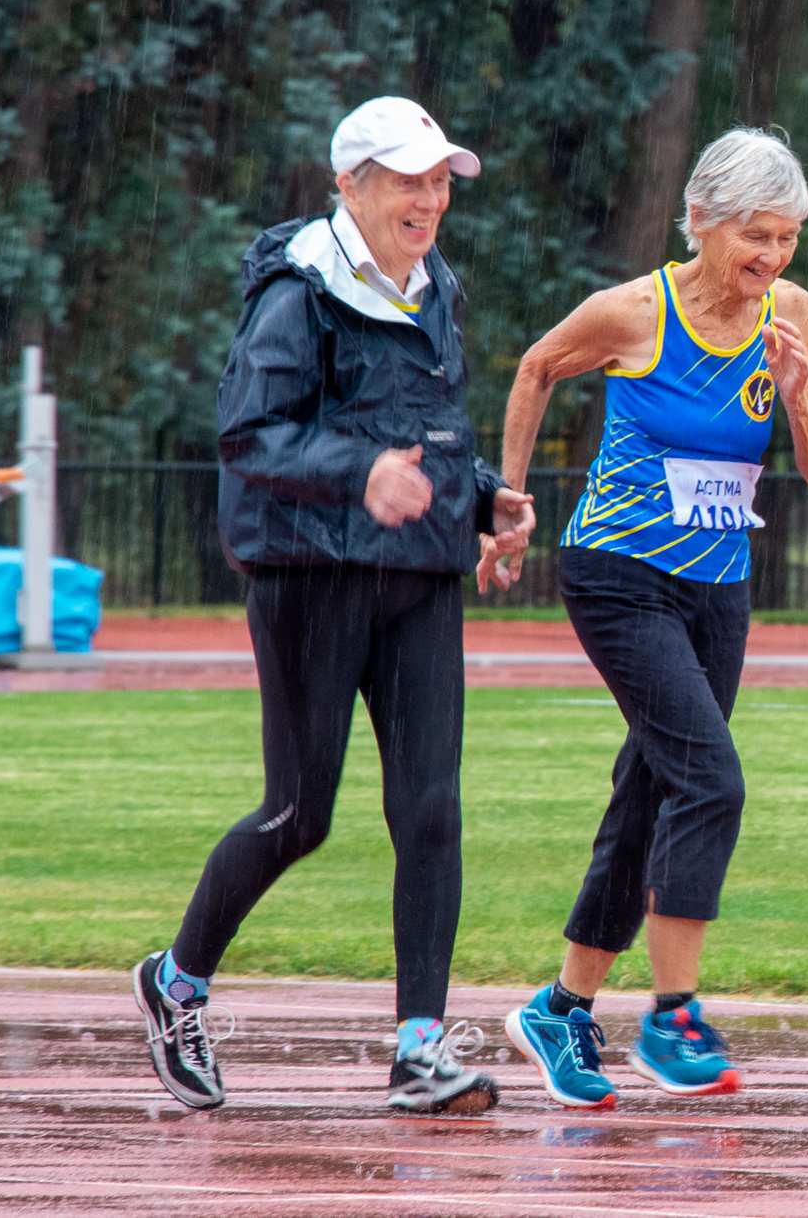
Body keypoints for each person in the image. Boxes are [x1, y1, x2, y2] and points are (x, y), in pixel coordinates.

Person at [133, 96, 537, 1114]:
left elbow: (421, 430)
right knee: (298, 814)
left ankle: (417, 1046)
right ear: (348, 182)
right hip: (310, 577)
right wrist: (358, 474)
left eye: (442, 179)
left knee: (431, 809)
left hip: (417, 578)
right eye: (409, 178)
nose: (431, 197)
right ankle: (175, 983)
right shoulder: (297, 291)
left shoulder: (435, 282)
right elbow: (249, 436)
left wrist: (483, 497)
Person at [483, 128, 808, 1109]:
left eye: (788, 239)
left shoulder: (791, 316)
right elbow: (534, 368)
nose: (770, 257)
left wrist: (802, 397)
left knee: (650, 791)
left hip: (716, 588)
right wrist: (507, 508)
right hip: (618, 573)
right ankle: (673, 1014)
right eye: (753, 236)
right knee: (711, 779)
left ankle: (560, 1008)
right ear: (699, 221)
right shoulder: (634, 311)